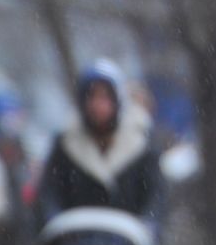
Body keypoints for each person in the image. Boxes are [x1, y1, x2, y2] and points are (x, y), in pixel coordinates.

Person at [35, 59, 165, 232]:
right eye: (92, 97)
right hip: (75, 243)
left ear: (117, 100)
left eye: (105, 97)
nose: (98, 105)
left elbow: (155, 197)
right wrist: (55, 223)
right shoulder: (66, 143)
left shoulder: (142, 143)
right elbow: (49, 194)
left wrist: (148, 226)